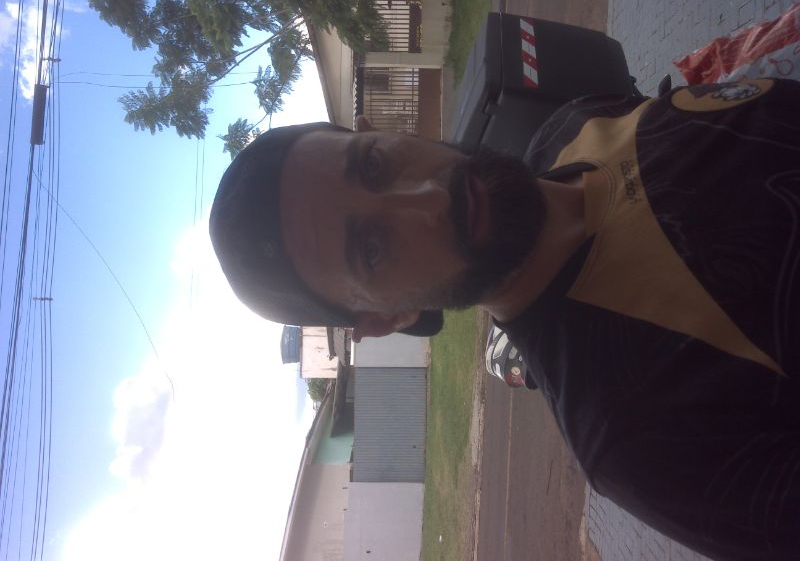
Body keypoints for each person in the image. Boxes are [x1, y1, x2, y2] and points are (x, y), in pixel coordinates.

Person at [210, 77, 800, 560]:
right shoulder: (636, 434)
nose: (429, 198)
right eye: (371, 248)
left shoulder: (575, 121)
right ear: (388, 317)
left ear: (382, 131)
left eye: (374, 164)